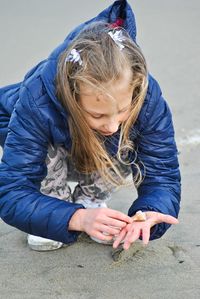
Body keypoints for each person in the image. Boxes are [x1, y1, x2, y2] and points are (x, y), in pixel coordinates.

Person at [0, 0, 181, 252]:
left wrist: (150, 211)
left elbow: (162, 174)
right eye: (97, 114)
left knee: (126, 136)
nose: (112, 125)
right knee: (52, 194)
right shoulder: (37, 98)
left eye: (122, 109)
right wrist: (76, 218)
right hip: (42, 136)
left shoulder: (146, 96)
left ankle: (91, 197)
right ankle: (55, 198)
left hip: (88, 143)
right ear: (71, 95)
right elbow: (12, 192)